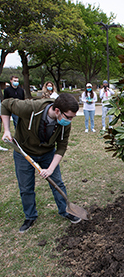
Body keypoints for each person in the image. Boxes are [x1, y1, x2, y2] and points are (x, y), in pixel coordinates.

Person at [1, 93, 81, 233]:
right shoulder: (31, 108)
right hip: (24, 152)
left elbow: (61, 147)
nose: (70, 121)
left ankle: (65, 210)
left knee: (58, 183)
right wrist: (7, 130)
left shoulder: (65, 123)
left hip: (47, 153)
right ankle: (30, 216)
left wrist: (50, 169)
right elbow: (5, 104)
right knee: (26, 187)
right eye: (69, 117)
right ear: (57, 111)